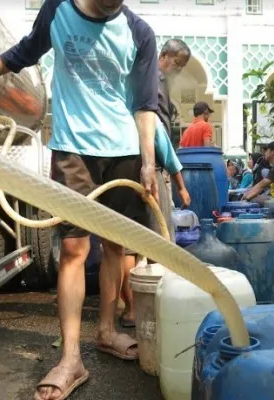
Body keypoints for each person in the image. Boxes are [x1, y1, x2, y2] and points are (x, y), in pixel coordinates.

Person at [0, 1, 159, 399]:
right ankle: (70, 358)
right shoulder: (58, 11)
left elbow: (144, 104)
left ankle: (106, 330)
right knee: (74, 249)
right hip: (73, 149)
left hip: (124, 151)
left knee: (117, 246)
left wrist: (149, 162)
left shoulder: (139, 32)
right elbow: (23, 52)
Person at [119, 39, 192, 328]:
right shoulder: (156, 79)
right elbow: (157, 133)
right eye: (177, 64)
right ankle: (152, 309)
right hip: (150, 168)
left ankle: (129, 309)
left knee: (127, 243)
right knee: (160, 241)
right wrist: (179, 180)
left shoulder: (131, 78)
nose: (177, 71)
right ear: (162, 57)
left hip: (121, 164)